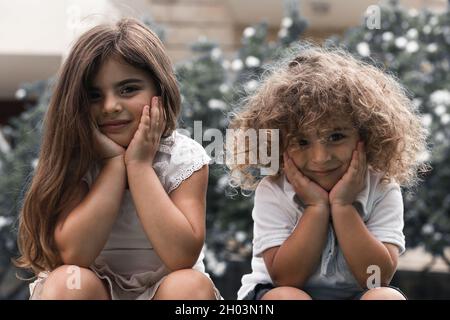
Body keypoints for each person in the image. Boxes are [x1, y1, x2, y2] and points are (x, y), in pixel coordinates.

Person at [14, 18, 221, 300]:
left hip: (163, 290)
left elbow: (181, 256)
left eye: (128, 89)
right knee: (67, 281)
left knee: (190, 286)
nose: (110, 107)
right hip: (94, 290)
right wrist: (113, 165)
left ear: (160, 90)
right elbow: (75, 254)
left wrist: (139, 166)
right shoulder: (78, 159)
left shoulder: (182, 158)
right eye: (94, 95)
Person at [228, 45, 429, 300]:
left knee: (386, 297)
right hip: (278, 293)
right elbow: (286, 279)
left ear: (367, 135)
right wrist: (316, 208)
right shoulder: (274, 190)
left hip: (356, 295)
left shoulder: (382, 187)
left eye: (336, 136)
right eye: (301, 142)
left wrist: (344, 206)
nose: (320, 157)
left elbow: (376, 277)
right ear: (278, 144)